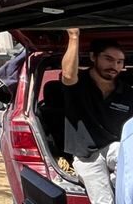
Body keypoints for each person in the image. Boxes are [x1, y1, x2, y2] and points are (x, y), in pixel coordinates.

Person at [62, 29, 133, 204]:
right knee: (104, 201)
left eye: (119, 62)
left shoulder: (127, 92)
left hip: (115, 148)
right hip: (86, 156)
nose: (115, 66)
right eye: (108, 59)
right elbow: (68, 75)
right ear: (93, 57)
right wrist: (74, 36)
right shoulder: (79, 84)